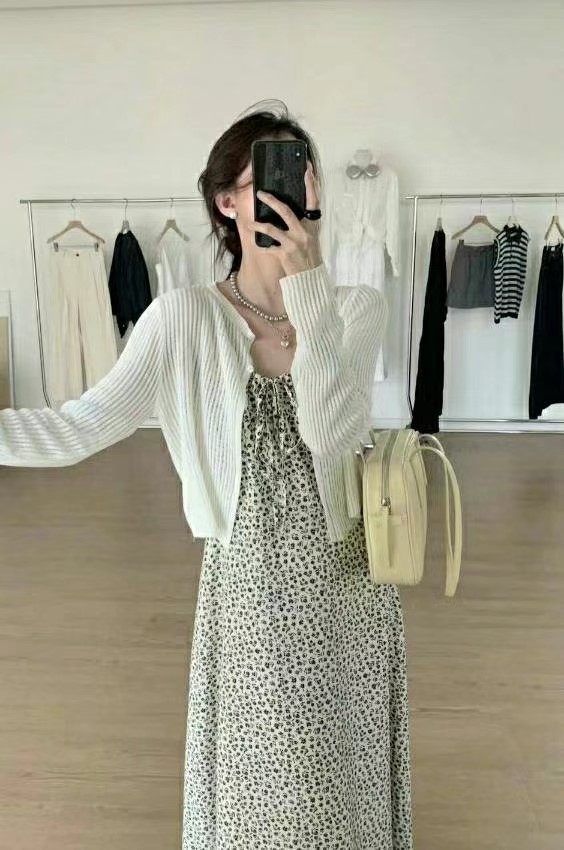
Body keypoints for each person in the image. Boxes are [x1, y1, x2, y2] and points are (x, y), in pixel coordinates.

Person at [0, 101, 413, 849]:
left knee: (338, 763)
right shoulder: (181, 319)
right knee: (265, 772)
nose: (296, 187)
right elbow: (78, 426)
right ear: (227, 202)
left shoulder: (355, 309)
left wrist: (309, 286)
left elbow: (330, 432)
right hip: (247, 582)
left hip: (345, 577)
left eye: (304, 171)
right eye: (272, 175)